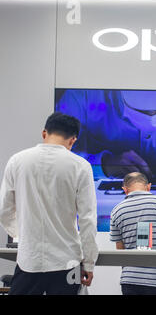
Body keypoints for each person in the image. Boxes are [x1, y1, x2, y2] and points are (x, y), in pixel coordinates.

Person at [0, 112, 98, 295]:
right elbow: (87, 219)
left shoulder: (17, 161)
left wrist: (22, 235)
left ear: (44, 133)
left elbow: (4, 210)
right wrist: (89, 262)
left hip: (29, 260)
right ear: (73, 140)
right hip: (67, 262)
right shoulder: (80, 166)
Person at [55, 89, 156, 180]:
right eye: (142, 111)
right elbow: (57, 156)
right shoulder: (82, 96)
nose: (152, 116)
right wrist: (103, 164)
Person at [110, 172, 156, 295]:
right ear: (148, 187)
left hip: (131, 281)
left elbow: (120, 249)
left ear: (125, 189)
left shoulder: (117, 210)